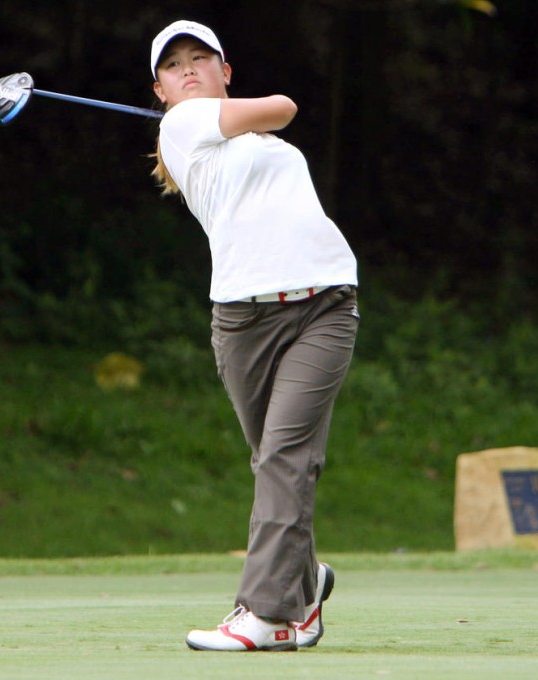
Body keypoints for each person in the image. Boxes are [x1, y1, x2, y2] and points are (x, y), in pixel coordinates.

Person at [148, 20, 360, 651]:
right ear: (159, 89)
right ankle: (304, 588)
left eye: (200, 59)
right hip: (243, 322)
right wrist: (228, 113)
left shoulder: (252, 139)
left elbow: (275, 120)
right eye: (173, 66)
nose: (188, 70)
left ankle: (264, 615)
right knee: (276, 463)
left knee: (285, 459)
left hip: (324, 305)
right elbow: (286, 106)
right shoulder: (181, 126)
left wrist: (237, 121)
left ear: (225, 71)